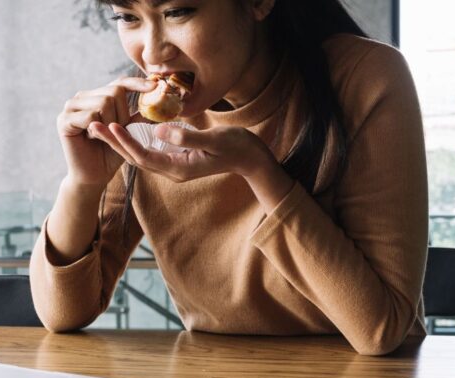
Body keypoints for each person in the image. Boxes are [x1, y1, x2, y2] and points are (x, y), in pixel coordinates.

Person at [29, 0, 428, 356]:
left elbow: (381, 330)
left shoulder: (364, 77)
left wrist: (257, 169)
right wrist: (81, 186)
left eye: (177, 12)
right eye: (127, 17)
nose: (152, 53)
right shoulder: (140, 118)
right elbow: (62, 314)